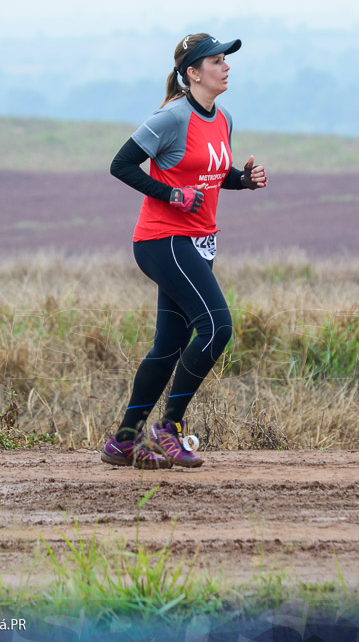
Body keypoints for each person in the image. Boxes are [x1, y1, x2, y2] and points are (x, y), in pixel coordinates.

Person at [102, 32, 268, 470]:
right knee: (217, 328)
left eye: (225, 60)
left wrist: (243, 180)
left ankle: (122, 441)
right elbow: (121, 165)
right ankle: (168, 428)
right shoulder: (170, 118)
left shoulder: (222, 118)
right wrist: (171, 195)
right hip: (162, 239)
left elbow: (212, 174)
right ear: (192, 73)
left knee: (168, 348)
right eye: (216, 61)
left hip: (200, 241)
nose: (226, 67)